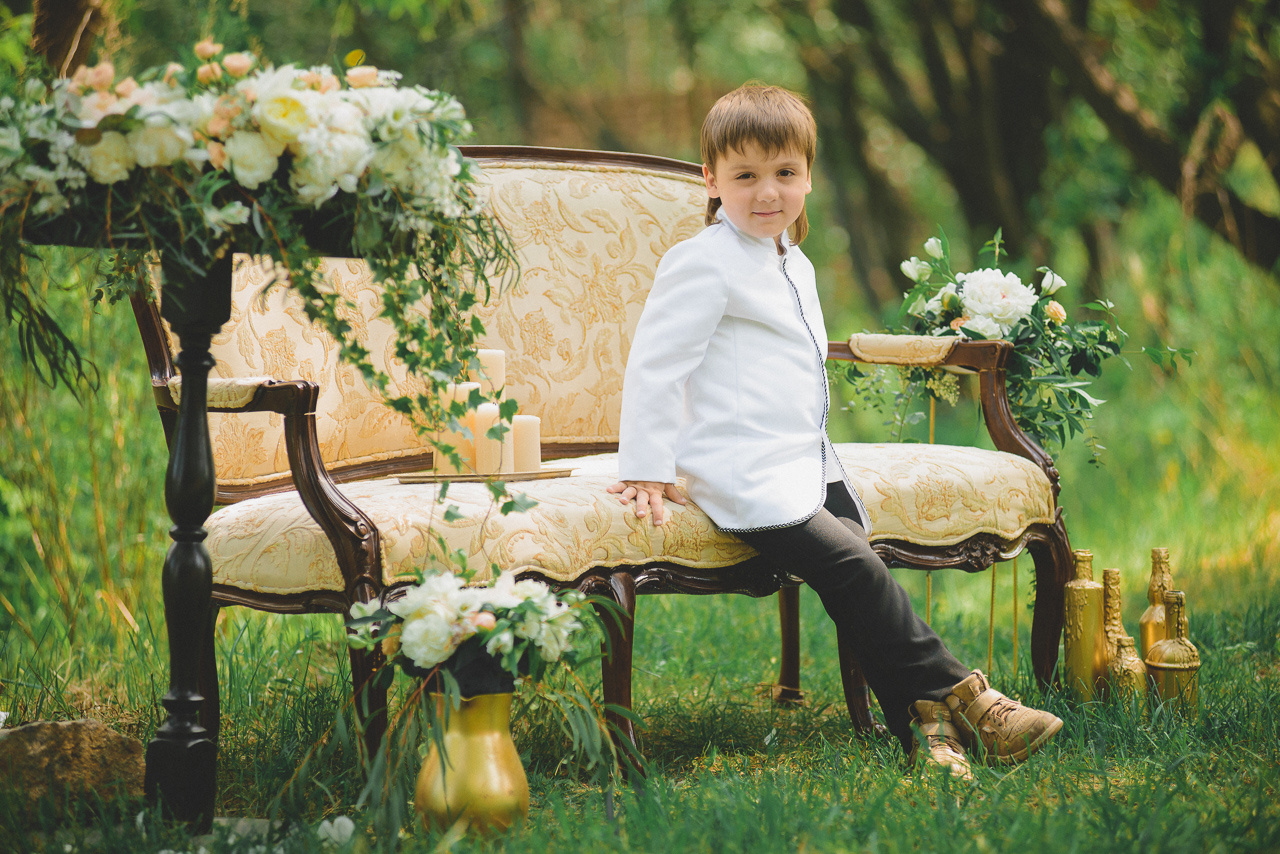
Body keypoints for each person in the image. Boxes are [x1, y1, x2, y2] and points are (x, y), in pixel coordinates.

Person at [606, 83, 1062, 780]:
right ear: (711, 180)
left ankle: (930, 735)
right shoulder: (703, 260)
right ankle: (973, 701)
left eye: (784, 173)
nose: (768, 192)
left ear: (808, 177)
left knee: (857, 572)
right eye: (745, 175)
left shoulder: (795, 261)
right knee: (854, 568)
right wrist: (646, 464)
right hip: (742, 471)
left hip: (807, 462)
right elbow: (656, 364)